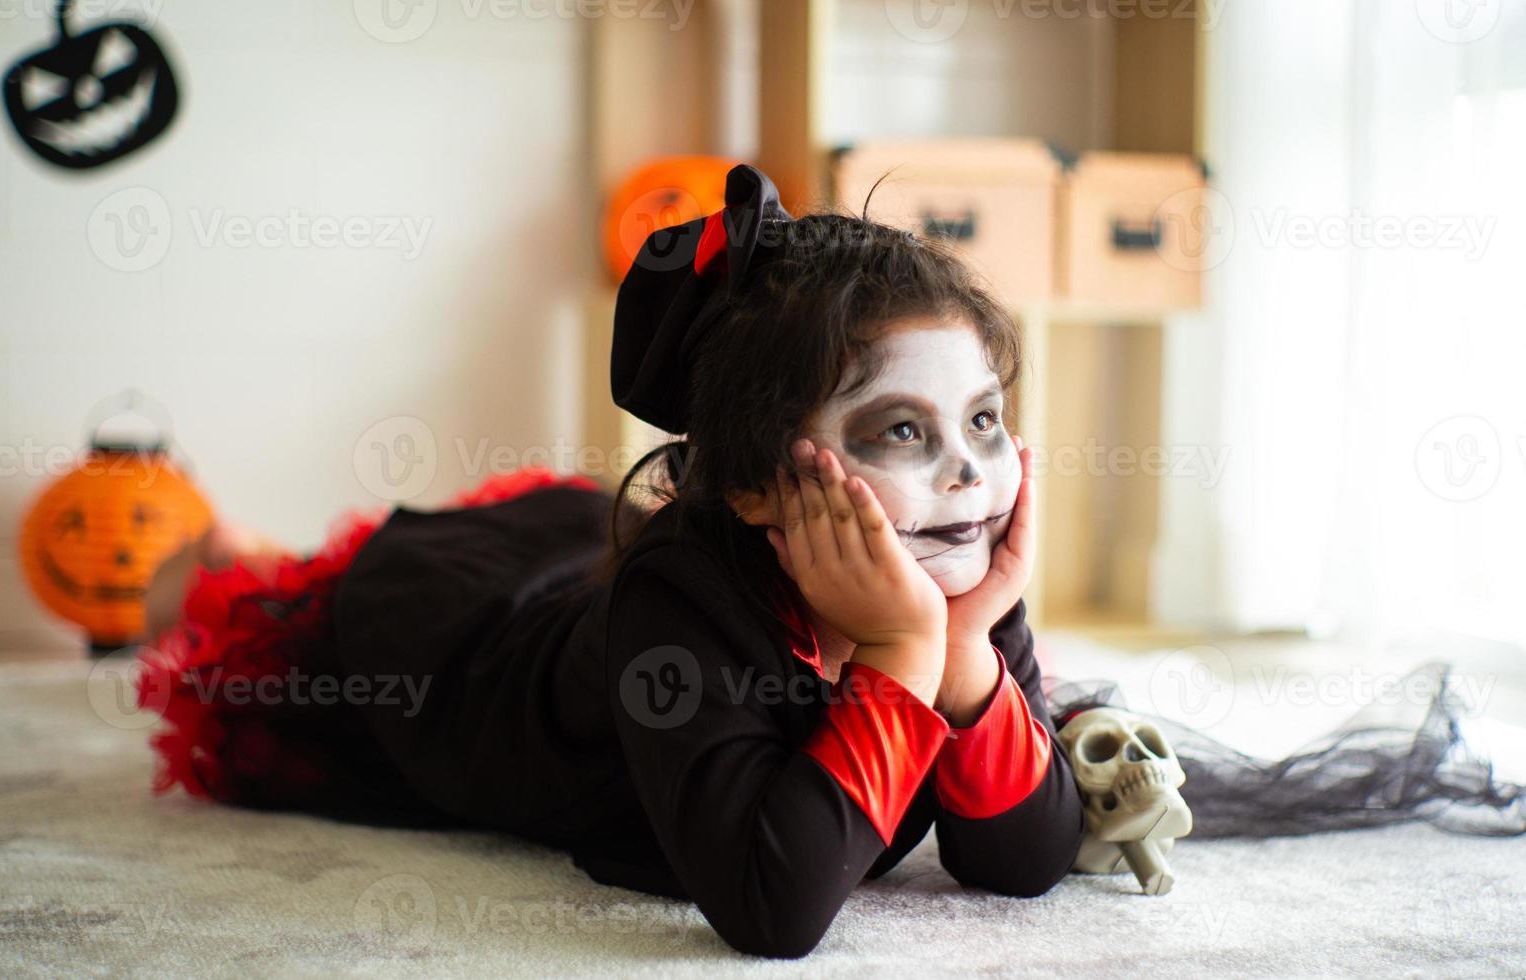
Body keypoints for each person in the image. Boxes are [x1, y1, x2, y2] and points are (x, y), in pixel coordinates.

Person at [138, 164, 1085, 959]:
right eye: (904, 430)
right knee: (274, 632)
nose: (967, 473)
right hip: (461, 657)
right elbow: (774, 910)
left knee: (560, 538)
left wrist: (961, 656)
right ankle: (237, 555)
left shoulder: (952, 562)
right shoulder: (679, 604)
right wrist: (903, 652)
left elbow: (1025, 861)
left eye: (983, 420)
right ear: (757, 489)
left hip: (558, 568)